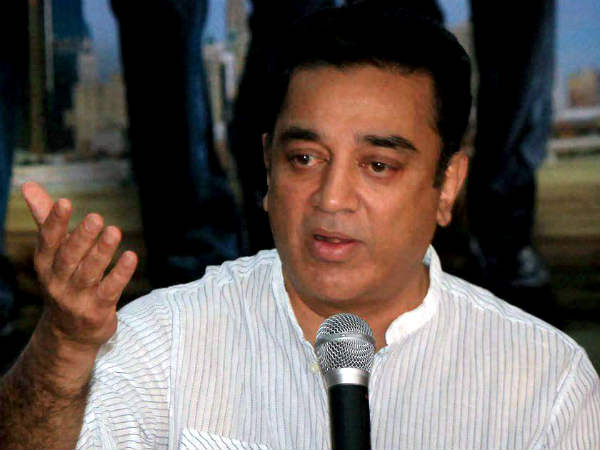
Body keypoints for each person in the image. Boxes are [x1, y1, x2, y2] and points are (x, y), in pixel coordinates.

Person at [0, 4, 598, 449]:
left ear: (447, 185)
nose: (331, 199)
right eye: (305, 159)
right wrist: (63, 351)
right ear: (267, 166)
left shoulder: (544, 379)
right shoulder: (167, 337)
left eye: (378, 165)